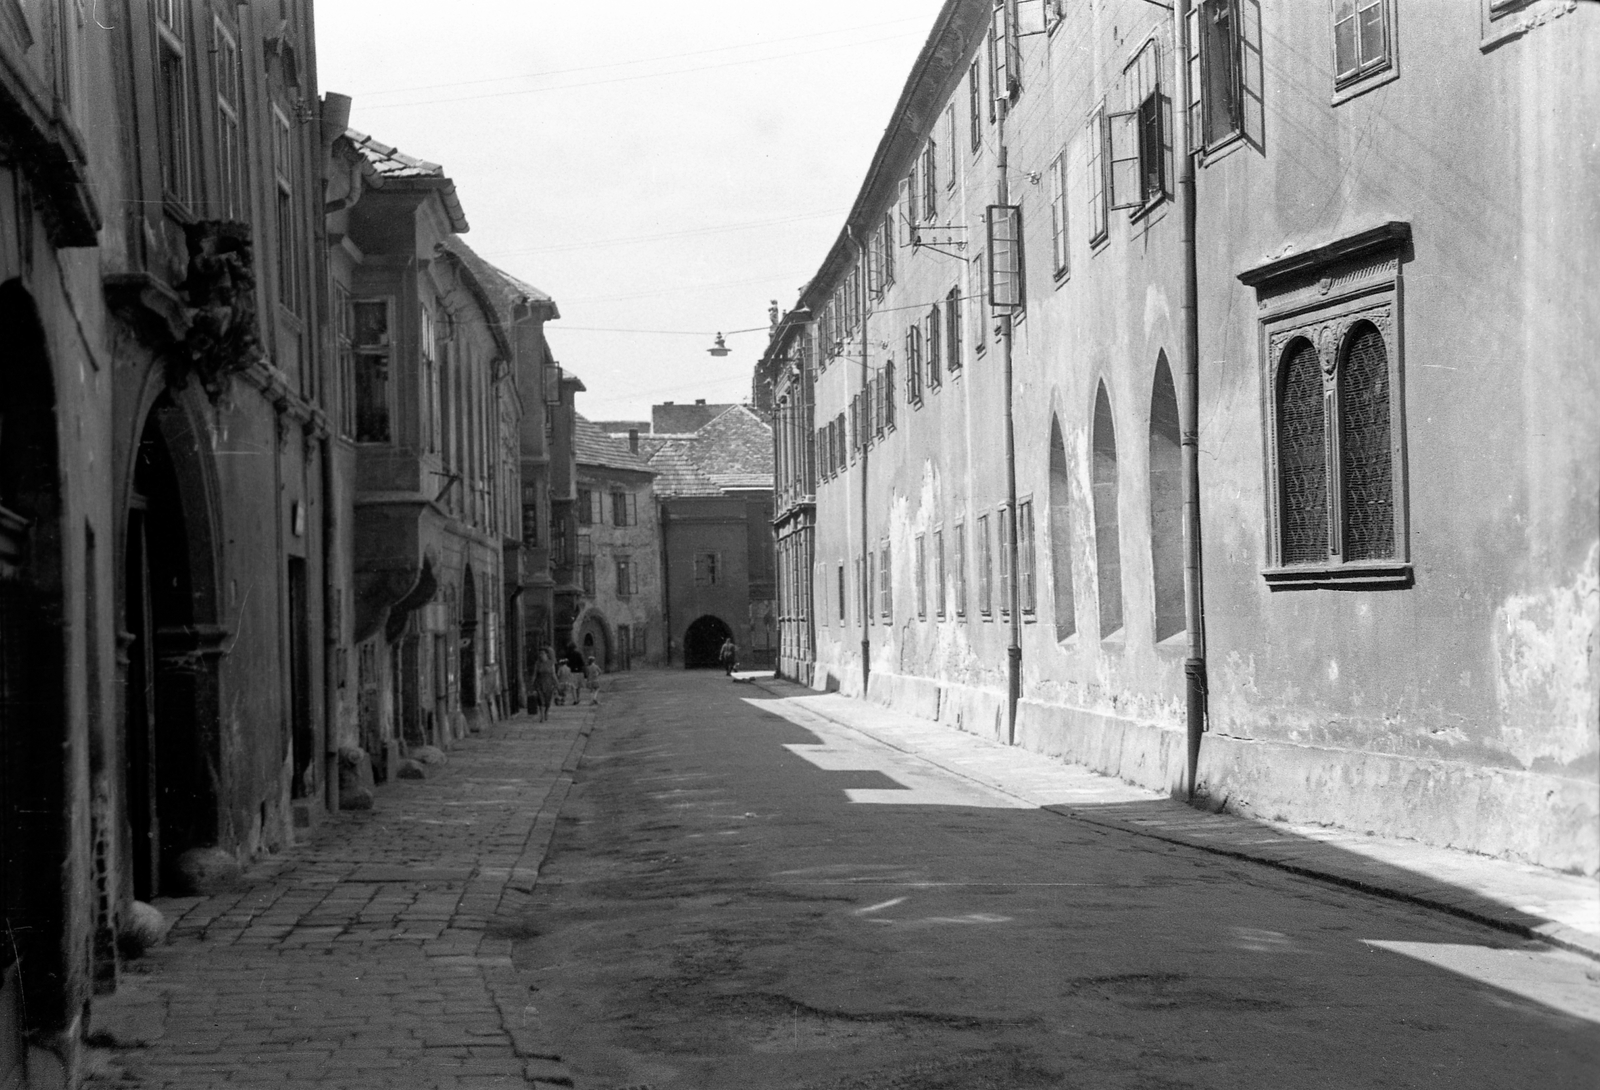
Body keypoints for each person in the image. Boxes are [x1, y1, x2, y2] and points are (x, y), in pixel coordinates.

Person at [532, 647, 556, 722]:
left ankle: (546, 712)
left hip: (549, 684)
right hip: (539, 683)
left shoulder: (551, 663)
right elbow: (534, 674)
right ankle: (542, 716)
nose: (541, 655)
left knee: (547, 701)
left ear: (546, 654)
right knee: (540, 700)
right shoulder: (537, 663)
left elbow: (553, 674)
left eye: (542, 653)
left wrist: (557, 683)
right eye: (540, 654)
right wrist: (532, 683)